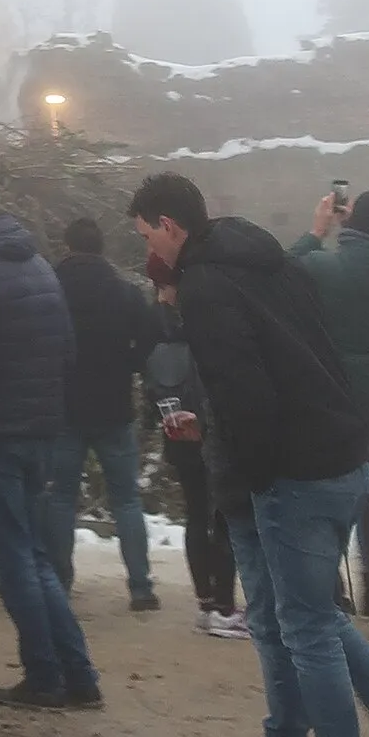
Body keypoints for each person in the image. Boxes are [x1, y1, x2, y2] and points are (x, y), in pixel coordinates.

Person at [131, 172, 369, 737]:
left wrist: (251, 481)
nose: (151, 254)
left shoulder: (206, 286)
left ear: (169, 226)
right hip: (341, 452)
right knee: (319, 619)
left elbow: (246, 393)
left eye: (146, 237)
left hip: (294, 474)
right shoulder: (264, 260)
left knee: (307, 625)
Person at [0, 185, 101, 711]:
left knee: (15, 563)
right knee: (34, 556)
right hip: (40, 434)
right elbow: (70, 352)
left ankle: (45, 677)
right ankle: (78, 676)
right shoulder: (40, 268)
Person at [290, 186, 369, 637]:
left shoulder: (323, 265)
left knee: (322, 497)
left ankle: (330, 595)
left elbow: (283, 269)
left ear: (351, 220)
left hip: (326, 403)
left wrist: (318, 231)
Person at [41, 217, 159, 610]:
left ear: (67, 246)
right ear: (101, 248)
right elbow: (150, 335)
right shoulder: (124, 293)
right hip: (114, 406)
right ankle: (141, 587)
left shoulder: (51, 290)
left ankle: (60, 580)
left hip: (65, 406)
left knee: (60, 498)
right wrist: (130, 363)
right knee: (126, 499)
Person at [141, 255, 240, 632]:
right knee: (223, 516)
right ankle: (225, 605)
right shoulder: (207, 314)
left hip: (176, 428)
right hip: (209, 426)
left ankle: (206, 600)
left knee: (197, 512)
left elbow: (145, 372)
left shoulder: (155, 320)